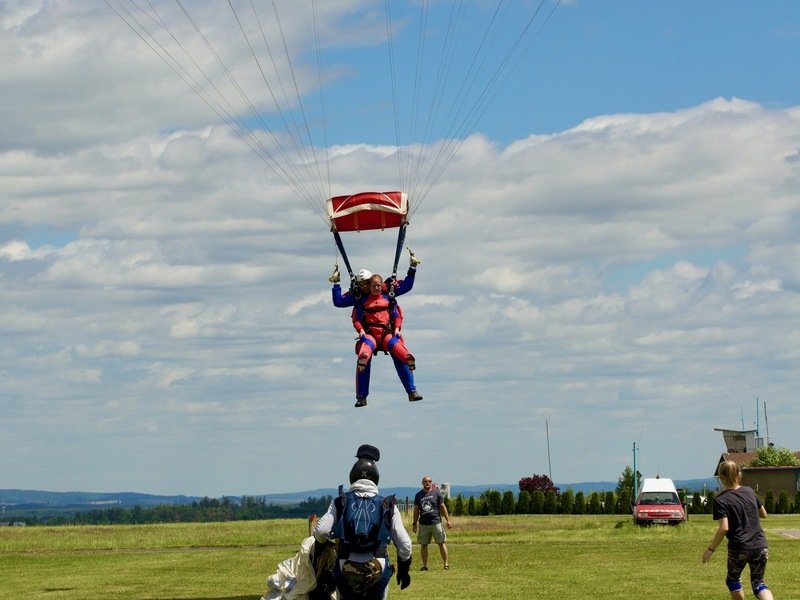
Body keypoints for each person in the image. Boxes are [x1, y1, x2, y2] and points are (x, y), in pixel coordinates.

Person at [314, 444, 412, 599]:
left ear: (352, 475)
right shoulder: (388, 505)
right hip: (377, 569)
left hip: (345, 568)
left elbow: (321, 531)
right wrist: (403, 570)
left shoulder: (340, 502)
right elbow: (405, 545)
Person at [702, 460, 775, 600]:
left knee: (733, 580)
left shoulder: (721, 500)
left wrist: (710, 549)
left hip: (739, 547)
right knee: (759, 583)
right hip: (760, 545)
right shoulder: (749, 491)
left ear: (721, 478)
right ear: (739, 475)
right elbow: (764, 514)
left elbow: (724, 528)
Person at [351, 273, 422, 407]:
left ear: (382, 285)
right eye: (374, 286)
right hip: (370, 334)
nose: (376, 288)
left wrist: (397, 328)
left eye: (378, 285)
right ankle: (363, 360)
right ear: (369, 286)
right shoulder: (362, 301)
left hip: (386, 333)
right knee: (366, 346)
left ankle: (408, 358)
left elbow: (397, 316)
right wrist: (360, 330)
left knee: (394, 344)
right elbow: (357, 320)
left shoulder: (389, 299)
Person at [412, 475, 452, 571]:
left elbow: (442, 507)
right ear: (422, 483)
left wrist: (448, 520)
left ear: (431, 482)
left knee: (441, 543)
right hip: (423, 524)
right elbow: (416, 510)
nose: (427, 483)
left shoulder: (437, 493)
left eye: (429, 481)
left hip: (436, 523)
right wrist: (414, 523)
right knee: (423, 544)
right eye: (425, 481)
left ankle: (446, 564)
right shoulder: (418, 495)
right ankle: (425, 566)